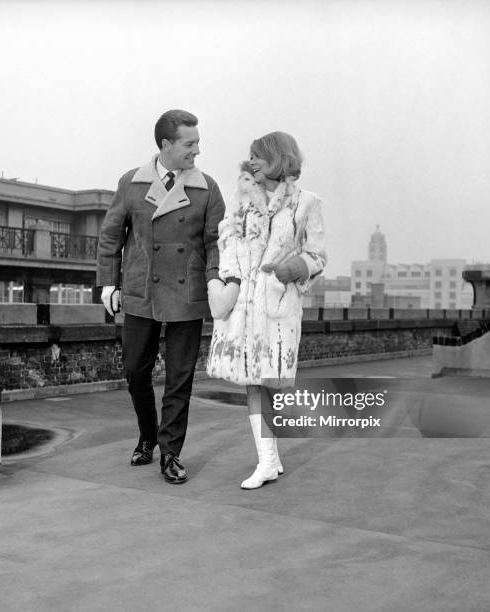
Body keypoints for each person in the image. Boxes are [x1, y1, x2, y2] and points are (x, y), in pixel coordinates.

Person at [96, 109, 225, 484]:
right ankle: (148, 434)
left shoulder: (207, 188)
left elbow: (218, 243)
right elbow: (111, 236)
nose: (197, 150)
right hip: (141, 288)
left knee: (179, 379)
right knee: (135, 370)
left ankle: (170, 453)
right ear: (166, 144)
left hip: (188, 291)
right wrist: (108, 282)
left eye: (198, 142)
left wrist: (216, 282)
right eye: (190, 143)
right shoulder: (131, 183)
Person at [206, 132, 326, 489]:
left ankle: (270, 458)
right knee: (252, 383)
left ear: (277, 158)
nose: (252, 162)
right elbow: (225, 244)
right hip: (242, 308)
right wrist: (227, 282)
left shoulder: (307, 203)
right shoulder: (240, 201)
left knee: (272, 383)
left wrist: (294, 269)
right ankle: (267, 460)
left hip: (278, 308)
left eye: (258, 155)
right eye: (251, 157)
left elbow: (317, 255)